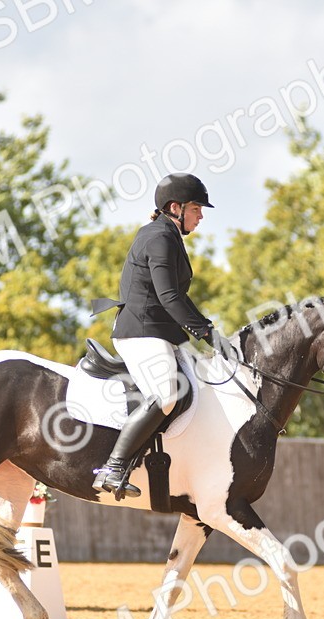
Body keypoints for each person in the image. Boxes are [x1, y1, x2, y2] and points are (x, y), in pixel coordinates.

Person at [91, 173, 234, 498]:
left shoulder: (168, 236)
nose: (201, 216)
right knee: (167, 394)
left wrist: (208, 330)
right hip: (142, 331)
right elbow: (169, 297)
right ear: (175, 208)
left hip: (159, 331)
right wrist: (207, 333)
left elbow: (179, 297)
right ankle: (113, 467)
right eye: (196, 208)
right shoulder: (159, 237)